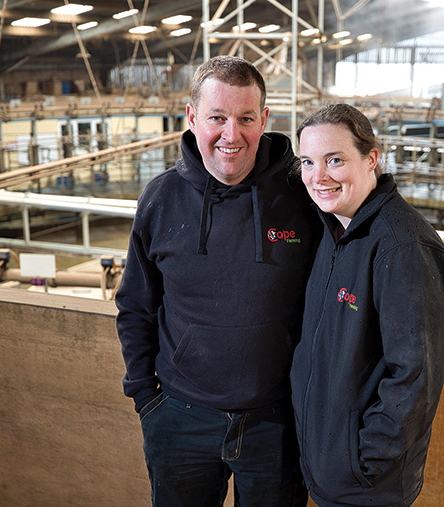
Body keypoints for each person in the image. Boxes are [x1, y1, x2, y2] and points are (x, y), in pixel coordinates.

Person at [114, 56, 316, 507]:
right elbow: (135, 306)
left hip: (277, 423)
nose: (232, 134)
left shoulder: (302, 197)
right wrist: (147, 399)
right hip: (180, 419)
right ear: (191, 118)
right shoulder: (161, 198)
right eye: (217, 118)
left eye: (246, 118)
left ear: (265, 119)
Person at [290, 103, 444, 507]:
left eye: (335, 160)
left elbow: (417, 375)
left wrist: (363, 460)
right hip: (329, 471)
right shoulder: (335, 231)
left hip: (367, 486)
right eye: (308, 162)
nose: (319, 176)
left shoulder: (403, 247)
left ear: (371, 159)